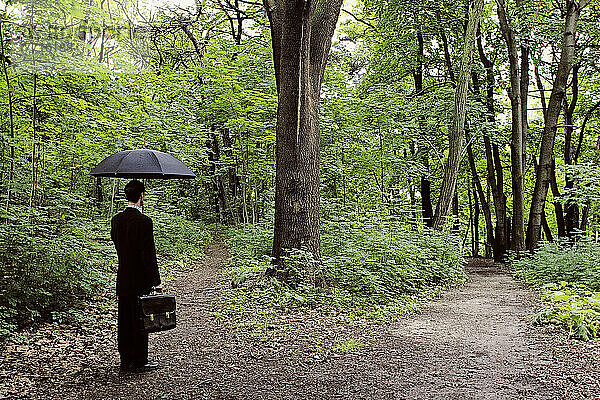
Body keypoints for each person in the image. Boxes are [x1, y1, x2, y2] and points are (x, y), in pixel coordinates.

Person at [111, 179, 161, 372]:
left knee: (124, 319)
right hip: (140, 279)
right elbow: (149, 254)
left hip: (123, 277)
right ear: (141, 196)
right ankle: (140, 360)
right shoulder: (145, 222)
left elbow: (117, 244)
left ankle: (125, 360)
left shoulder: (116, 220)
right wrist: (156, 281)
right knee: (140, 319)